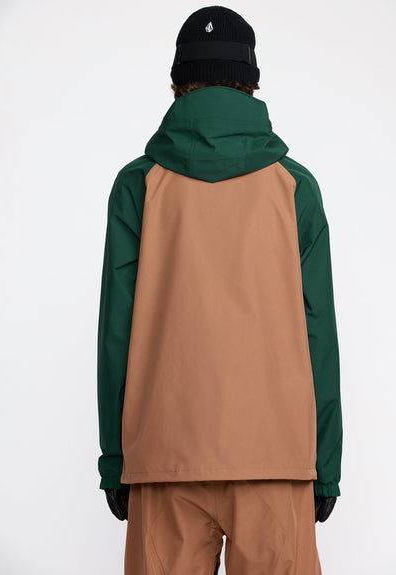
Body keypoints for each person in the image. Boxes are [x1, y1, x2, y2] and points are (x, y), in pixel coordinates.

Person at [96, 5, 343, 574]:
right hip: (276, 458)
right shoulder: (294, 187)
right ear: (251, 81)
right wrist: (325, 465)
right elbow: (319, 333)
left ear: (177, 81)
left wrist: (116, 458)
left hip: (164, 456)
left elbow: (117, 333)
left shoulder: (139, 184)